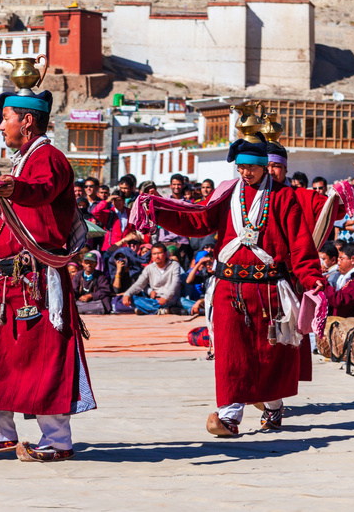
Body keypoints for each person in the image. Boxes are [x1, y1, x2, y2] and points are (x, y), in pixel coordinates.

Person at [132, 136, 325, 436]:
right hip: (228, 288)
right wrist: (158, 208)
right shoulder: (226, 193)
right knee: (230, 353)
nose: (245, 173)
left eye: (251, 167)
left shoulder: (284, 198)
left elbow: (300, 245)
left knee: (268, 354)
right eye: (240, 167)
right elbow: (197, 221)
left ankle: (273, 406)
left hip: (269, 290)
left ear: (264, 166)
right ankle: (229, 415)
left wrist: (312, 279)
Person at [0, 88, 93, 463]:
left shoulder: (48, 158)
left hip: (40, 283)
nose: (0, 127)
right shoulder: (22, 161)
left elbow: (41, 192)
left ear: (26, 121)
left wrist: (13, 187)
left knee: (45, 357)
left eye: (5, 118)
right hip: (8, 281)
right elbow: (14, 225)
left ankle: (57, 439)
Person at [119, 244, 183, 314]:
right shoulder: (149, 268)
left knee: (165, 301)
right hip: (154, 299)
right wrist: (127, 294)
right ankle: (161, 310)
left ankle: (148, 309)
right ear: (151, 256)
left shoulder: (174, 265)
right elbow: (139, 284)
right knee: (131, 298)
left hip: (169, 298)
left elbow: (175, 283)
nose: (157, 256)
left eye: (159, 253)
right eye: (154, 254)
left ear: (165, 254)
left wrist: (165, 297)